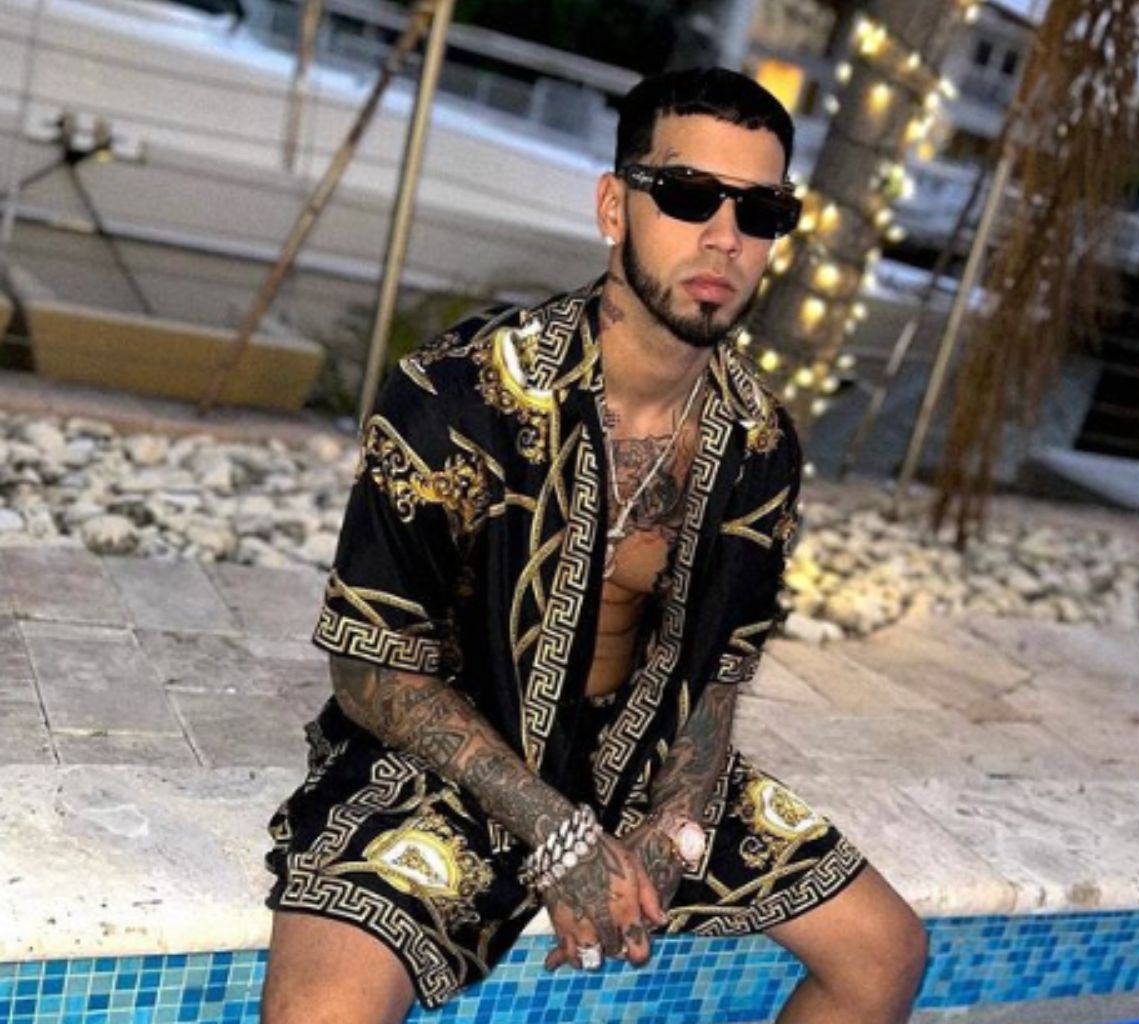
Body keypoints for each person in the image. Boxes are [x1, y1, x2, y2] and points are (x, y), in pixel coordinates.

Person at [261, 67, 927, 1024]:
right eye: (689, 195)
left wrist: (677, 821)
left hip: (640, 755)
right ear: (615, 207)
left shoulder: (759, 444)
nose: (725, 237)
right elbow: (370, 669)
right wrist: (554, 829)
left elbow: (721, 674)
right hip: (456, 755)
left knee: (886, 954)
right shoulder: (462, 394)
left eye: (761, 211)